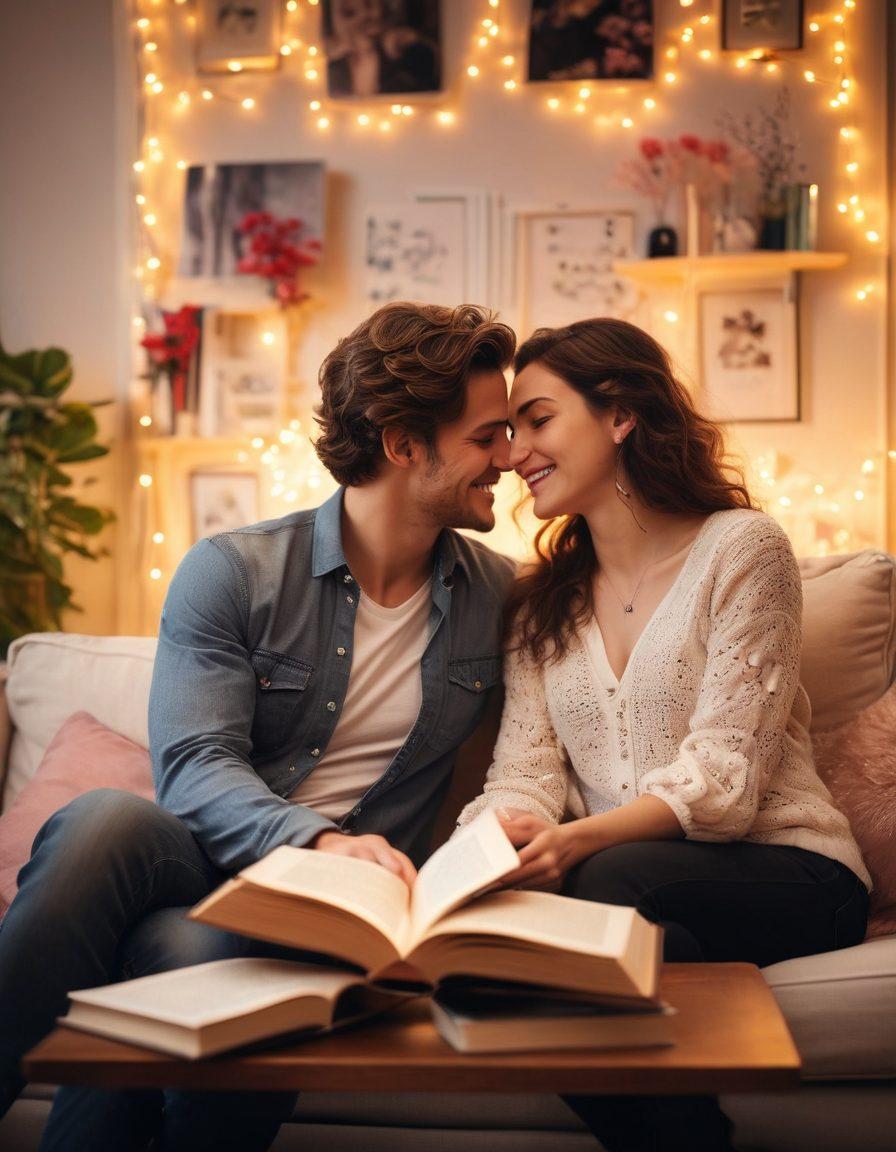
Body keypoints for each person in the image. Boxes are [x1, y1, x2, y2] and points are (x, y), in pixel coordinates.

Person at [0, 301, 516, 1151]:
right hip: (210, 856)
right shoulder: (235, 572)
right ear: (402, 443)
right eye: (487, 437)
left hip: (334, 916)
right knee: (103, 822)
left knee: (177, 951)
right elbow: (195, 766)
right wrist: (317, 840)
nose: (509, 457)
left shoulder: (501, 599)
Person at [457, 317, 871, 1152]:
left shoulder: (742, 549)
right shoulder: (541, 602)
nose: (514, 454)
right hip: (629, 886)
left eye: (538, 420)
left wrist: (574, 842)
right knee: (485, 965)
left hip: (790, 872)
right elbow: (523, 772)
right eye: (508, 431)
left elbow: (723, 779)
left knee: (604, 886)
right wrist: (485, 850)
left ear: (620, 415)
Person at [324, 0, 440, 98]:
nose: (363, 16)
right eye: (349, 12)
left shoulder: (403, 50)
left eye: (369, 5)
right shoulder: (331, 65)